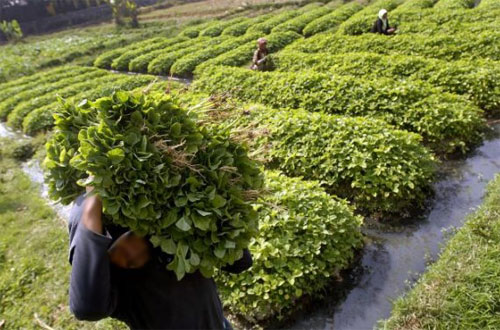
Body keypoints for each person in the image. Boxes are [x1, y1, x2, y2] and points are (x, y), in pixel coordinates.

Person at [68, 189, 253, 329]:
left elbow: (240, 262)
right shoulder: (94, 211)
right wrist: (92, 203)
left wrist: (211, 202)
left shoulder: (171, 190)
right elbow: (87, 308)